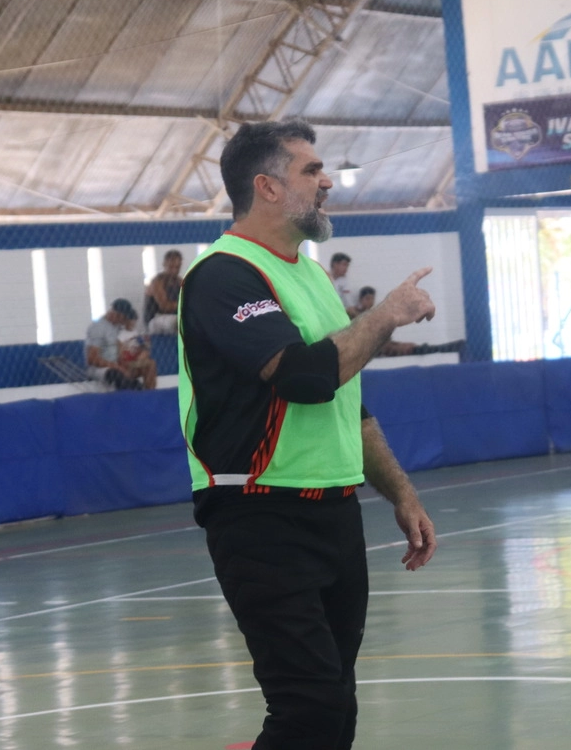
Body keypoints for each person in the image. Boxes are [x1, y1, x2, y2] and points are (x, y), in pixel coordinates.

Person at [178, 119, 437, 750]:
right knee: (309, 705)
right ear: (266, 187)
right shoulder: (224, 275)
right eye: (311, 170)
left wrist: (401, 494)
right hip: (259, 512)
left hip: (333, 511)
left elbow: (349, 402)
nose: (327, 183)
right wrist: (385, 315)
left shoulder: (313, 276)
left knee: (336, 705)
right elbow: (305, 377)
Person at [86, 299, 155, 390]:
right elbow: (92, 358)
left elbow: (134, 340)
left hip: (122, 363)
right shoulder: (98, 328)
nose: (124, 321)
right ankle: (135, 389)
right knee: (118, 375)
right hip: (102, 368)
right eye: (123, 317)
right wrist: (117, 367)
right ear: (116, 314)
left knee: (149, 365)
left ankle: (150, 394)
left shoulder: (119, 326)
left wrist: (142, 352)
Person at [144, 249, 183, 335]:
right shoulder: (157, 282)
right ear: (164, 264)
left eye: (177, 267)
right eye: (171, 267)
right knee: (177, 322)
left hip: (174, 317)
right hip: (155, 319)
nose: (174, 270)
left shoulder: (179, 281)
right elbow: (165, 307)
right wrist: (184, 304)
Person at [117, 315, 158, 390]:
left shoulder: (137, 333)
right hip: (128, 364)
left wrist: (144, 354)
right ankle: (149, 390)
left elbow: (145, 348)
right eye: (130, 320)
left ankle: (150, 390)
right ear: (125, 321)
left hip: (138, 361)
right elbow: (121, 356)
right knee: (150, 364)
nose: (132, 323)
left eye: (133, 320)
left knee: (151, 364)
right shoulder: (120, 335)